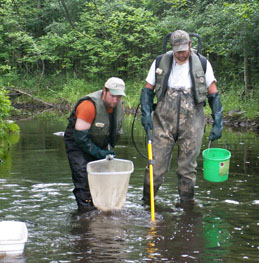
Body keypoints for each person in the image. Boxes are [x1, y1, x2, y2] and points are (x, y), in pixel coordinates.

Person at [140, 30, 223, 205]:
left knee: (187, 169)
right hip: (162, 121)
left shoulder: (202, 63)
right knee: (155, 167)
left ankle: (187, 209)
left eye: (184, 49)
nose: (181, 53)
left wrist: (218, 122)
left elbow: (213, 93)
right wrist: (146, 114)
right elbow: (148, 89)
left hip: (193, 123)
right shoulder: (159, 62)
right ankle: (147, 204)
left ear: (190, 46)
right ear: (172, 48)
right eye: (177, 50)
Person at [64, 77, 126, 211]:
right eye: (113, 96)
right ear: (104, 91)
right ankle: (85, 217)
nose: (115, 100)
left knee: (104, 180)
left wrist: (105, 152)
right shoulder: (88, 106)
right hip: (77, 144)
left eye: (119, 97)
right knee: (83, 179)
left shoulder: (119, 106)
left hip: (100, 142)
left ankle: (102, 211)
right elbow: (80, 139)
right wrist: (99, 153)